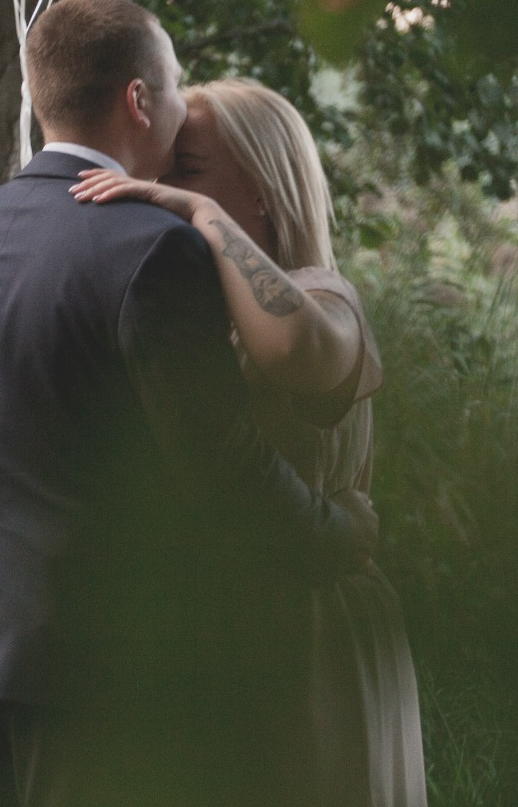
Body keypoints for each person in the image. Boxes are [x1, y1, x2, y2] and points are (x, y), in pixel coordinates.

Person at [0, 0, 377, 807]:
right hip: (87, 657)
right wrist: (339, 535)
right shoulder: (156, 246)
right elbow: (221, 467)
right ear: (137, 99)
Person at [71, 78, 428, 807]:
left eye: (187, 169)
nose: (159, 187)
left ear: (263, 189)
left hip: (308, 629)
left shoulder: (324, 294)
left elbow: (295, 346)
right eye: (160, 170)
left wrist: (200, 214)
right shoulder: (175, 319)